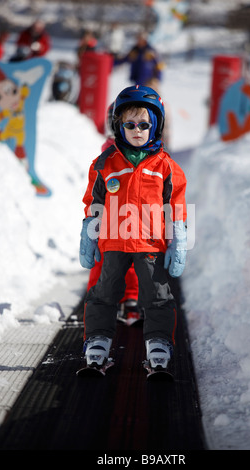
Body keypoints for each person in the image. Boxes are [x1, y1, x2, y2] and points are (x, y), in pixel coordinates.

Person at [79, 85, 187, 372]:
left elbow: (176, 206)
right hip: (113, 242)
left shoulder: (166, 167)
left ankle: (159, 344)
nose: (137, 130)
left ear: (156, 127)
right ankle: (97, 341)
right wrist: (89, 233)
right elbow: (94, 202)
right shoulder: (105, 163)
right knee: (103, 293)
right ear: (119, 126)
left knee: (158, 295)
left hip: (151, 245)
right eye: (130, 124)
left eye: (144, 124)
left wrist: (178, 240)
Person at [86, 102, 142, 326]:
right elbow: (95, 191)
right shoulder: (109, 156)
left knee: (113, 264)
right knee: (126, 262)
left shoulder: (117, 153)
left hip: (120, 219)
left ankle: (114, 301)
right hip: (121, 219)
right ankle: (125, 300)